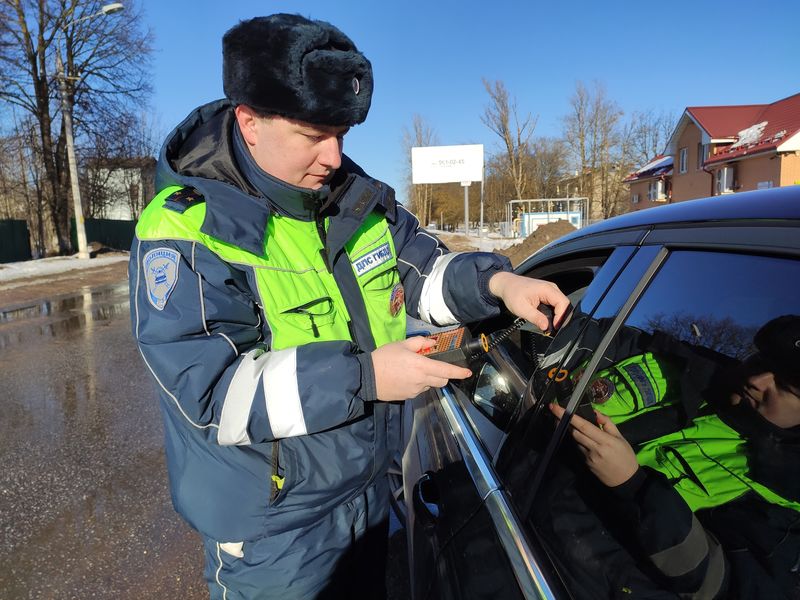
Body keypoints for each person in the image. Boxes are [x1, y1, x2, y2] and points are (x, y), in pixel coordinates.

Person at [129, 13, 569, 600]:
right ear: (250, 122)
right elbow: (214, 394)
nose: (334, 157)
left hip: (367, 495)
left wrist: (497, 286)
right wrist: (367, 375)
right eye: (313, 136)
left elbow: (424, 274)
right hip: (275, 533)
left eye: (342, 134)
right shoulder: (187, 230)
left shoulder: (355, 203)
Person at [550, 315, 800, 599]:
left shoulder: (786, 499)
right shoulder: (683, 362)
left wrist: (634, 486)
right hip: (511, 502)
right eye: (760, 361)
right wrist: (551, 315)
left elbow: (726, 584)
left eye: (785, 387)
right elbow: (592, 337)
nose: (757, 380)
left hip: (565, 582)